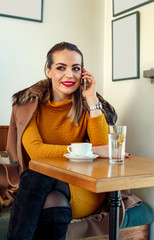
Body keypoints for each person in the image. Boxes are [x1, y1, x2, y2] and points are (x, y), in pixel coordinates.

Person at [6, 42, 120, 240]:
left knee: (35, 175)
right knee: (50, 194)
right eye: (61, 68)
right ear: (48, 71)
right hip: (45, 185)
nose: (70, 75)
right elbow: (37, 153)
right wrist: (88, 150)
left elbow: (103, 147)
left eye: (76, 68)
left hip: (81, 186)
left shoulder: (86, 106)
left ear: (82, 73)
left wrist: (92, 98)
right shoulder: (28, 106)